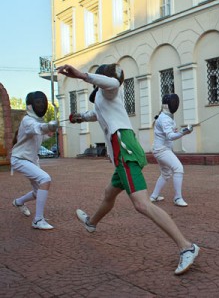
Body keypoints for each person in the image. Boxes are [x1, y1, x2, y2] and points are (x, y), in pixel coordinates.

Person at [57, 63, 199, 275]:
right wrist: (78, 117)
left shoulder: (112, 89)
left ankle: (186, 246)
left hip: (124, 149)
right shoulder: (102, 102)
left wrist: (82, 75)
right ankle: (91, 222)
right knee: (109, 194)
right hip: (122, 152)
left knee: (142, 204)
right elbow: (94, 114)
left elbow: (112, 82)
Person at [10, 91, 58, 230]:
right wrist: (47, 126)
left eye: (43, 102)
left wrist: (49, 132)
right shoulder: (27, 120)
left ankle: (18, 202)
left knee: (38, 192)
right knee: (45, 179)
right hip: (20, 159)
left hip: (31, 160)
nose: (41, 105)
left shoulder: (37, 121)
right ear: (31, 105)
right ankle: (38, 220)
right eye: (38, 102)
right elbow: (35, 128)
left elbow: (39, 136)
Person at [149, 93, 192, 207]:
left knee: (166, 173)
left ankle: (154, 196)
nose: (175, 105)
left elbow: (169, 132)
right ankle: (178, 198)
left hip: (160, 149)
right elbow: (170, 136)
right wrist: (184, 132)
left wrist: (178, 131)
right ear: (168, 105)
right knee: (178, 168)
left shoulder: (165, 117)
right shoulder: (165, 118)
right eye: (174, 103)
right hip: (162, 150)